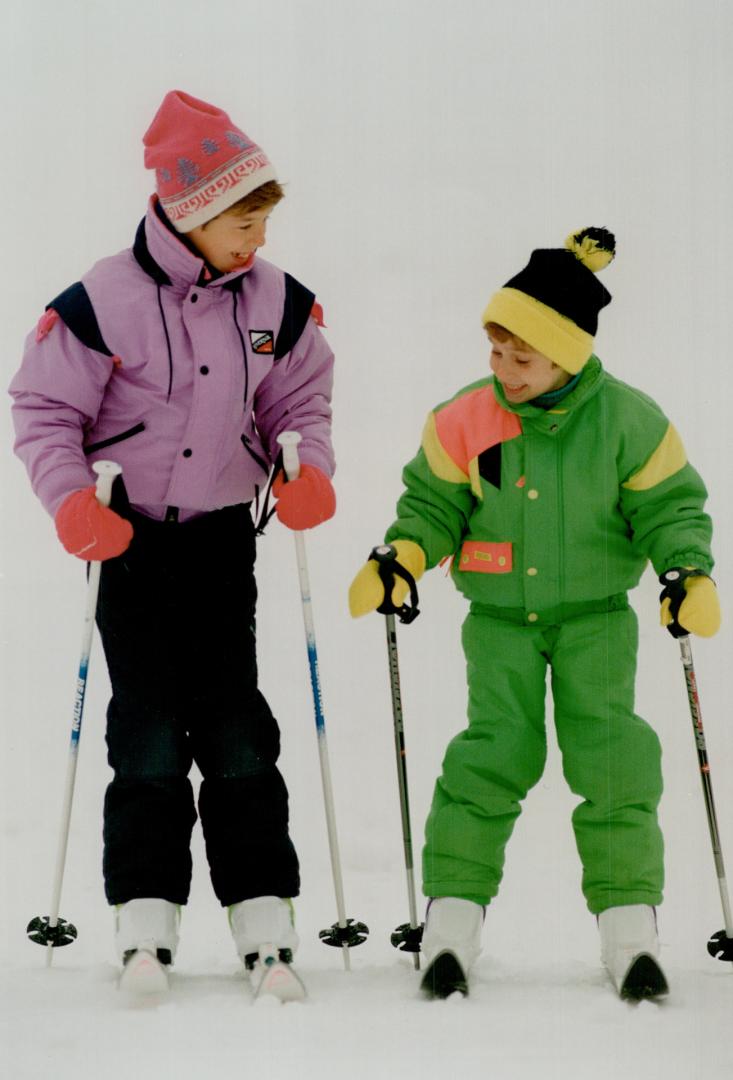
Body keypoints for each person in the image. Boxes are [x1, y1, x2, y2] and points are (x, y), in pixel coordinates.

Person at [10, 90, 336, 994]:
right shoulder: (99, 300)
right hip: (129, 542)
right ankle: (145, 916)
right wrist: (72, 500)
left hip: (223, 540)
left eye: (264, 221)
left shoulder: (278, 302)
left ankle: (262, 909)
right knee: (147, 727)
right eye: (242, 223)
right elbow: (42, 409)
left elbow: (296, 403)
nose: (256, 242)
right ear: (190, 212)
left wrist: (302, 471)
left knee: (236, 723)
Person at [349, 227, 721, 1000]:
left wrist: (685, 570)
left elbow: (669, 508)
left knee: (612, 756)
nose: (502, 371)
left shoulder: (628, 420)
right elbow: (432, 505)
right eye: (494, 352)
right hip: (497, 623)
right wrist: (405, 556)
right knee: (490, 756)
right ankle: (451, 918)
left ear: (568, 353)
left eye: (521, 358)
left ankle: (629, 927)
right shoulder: (462, 417)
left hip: (595, 619)